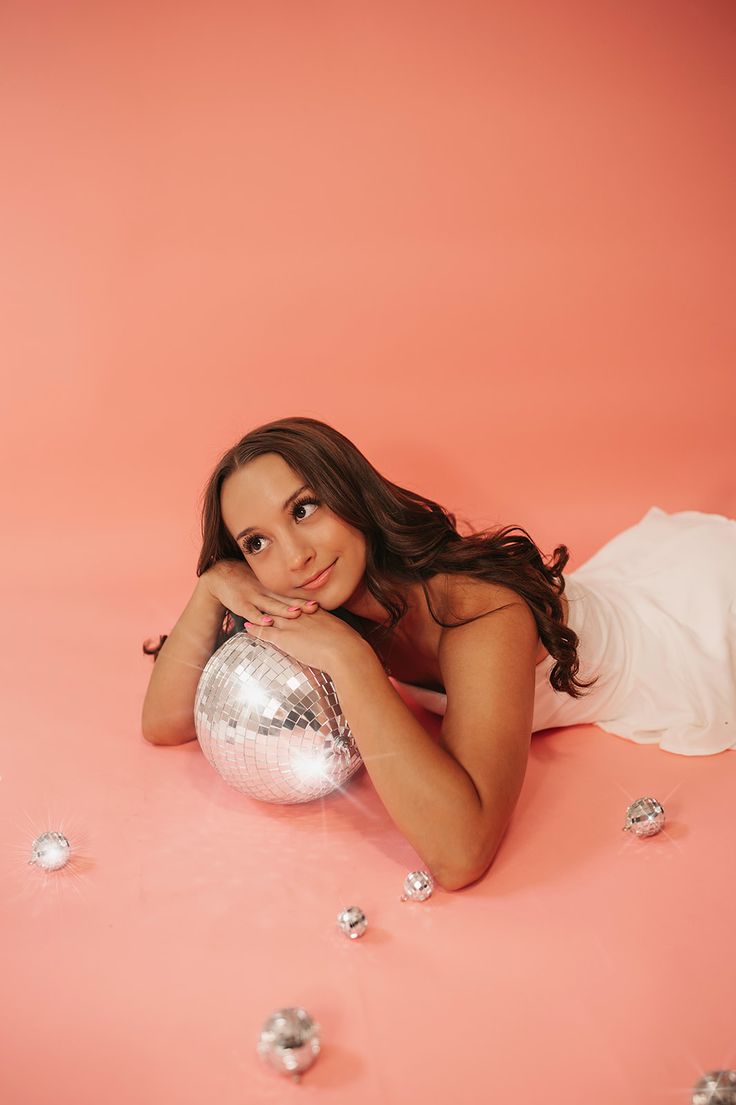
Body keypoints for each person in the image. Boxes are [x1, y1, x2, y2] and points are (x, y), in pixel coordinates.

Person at [141, 416, 736, 890]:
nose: (294, 556)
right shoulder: (328, 601)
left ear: (351, 493)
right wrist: (212, 583)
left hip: (692, 629)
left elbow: (459, 855)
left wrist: (349, 661)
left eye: (303, 509)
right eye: (257, 542)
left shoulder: (480, 610)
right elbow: (165, 723)